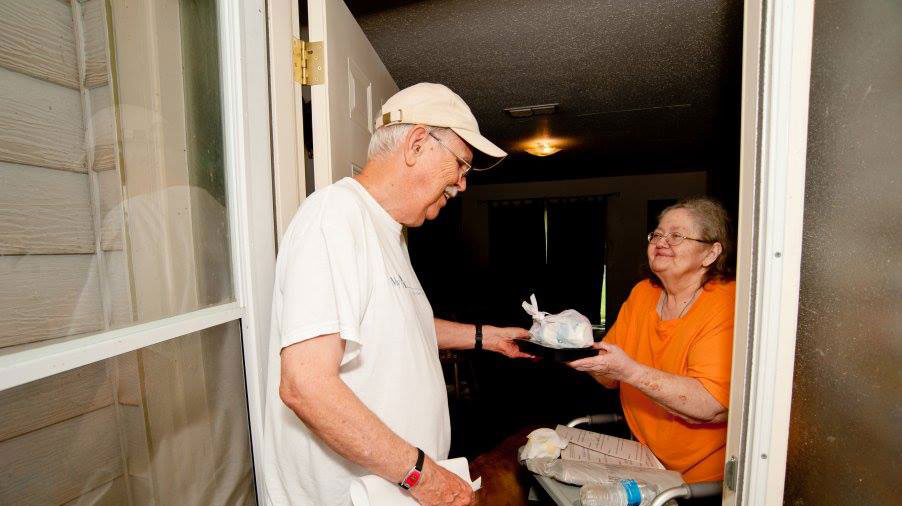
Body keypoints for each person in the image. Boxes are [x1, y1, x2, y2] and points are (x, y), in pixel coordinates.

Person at [261, 83, 533, 506]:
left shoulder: (390, 232)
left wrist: (486, 338)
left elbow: (402, 326)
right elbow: (304, 385)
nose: (462, 185)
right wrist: (425, 479)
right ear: (417, 143)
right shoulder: (333, 216)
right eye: (461, 164)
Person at [568, 197, 735, 484]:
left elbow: (710, 405)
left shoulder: (727, 302)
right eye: (657, 234)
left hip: (702, 480)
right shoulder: (642, 294)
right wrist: (573, 349)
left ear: (710, 254)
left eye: (676, 235)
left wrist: (629, 371)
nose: (661, 241)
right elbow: (610, 378)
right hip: (644, 462)